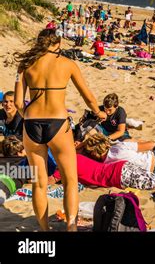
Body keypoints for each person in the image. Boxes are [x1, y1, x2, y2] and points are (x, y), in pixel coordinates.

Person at [13, 28, 107, 231]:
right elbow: (88, 97)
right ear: (58, 44)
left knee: (39, 183)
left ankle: (44, 230)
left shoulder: (25, 65)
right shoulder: (67, 64)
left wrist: (28, 116)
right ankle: (71, 227)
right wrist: (98, 113)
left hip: (31, 125)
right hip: (58, 123)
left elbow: (19, 103)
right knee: (70, 180)